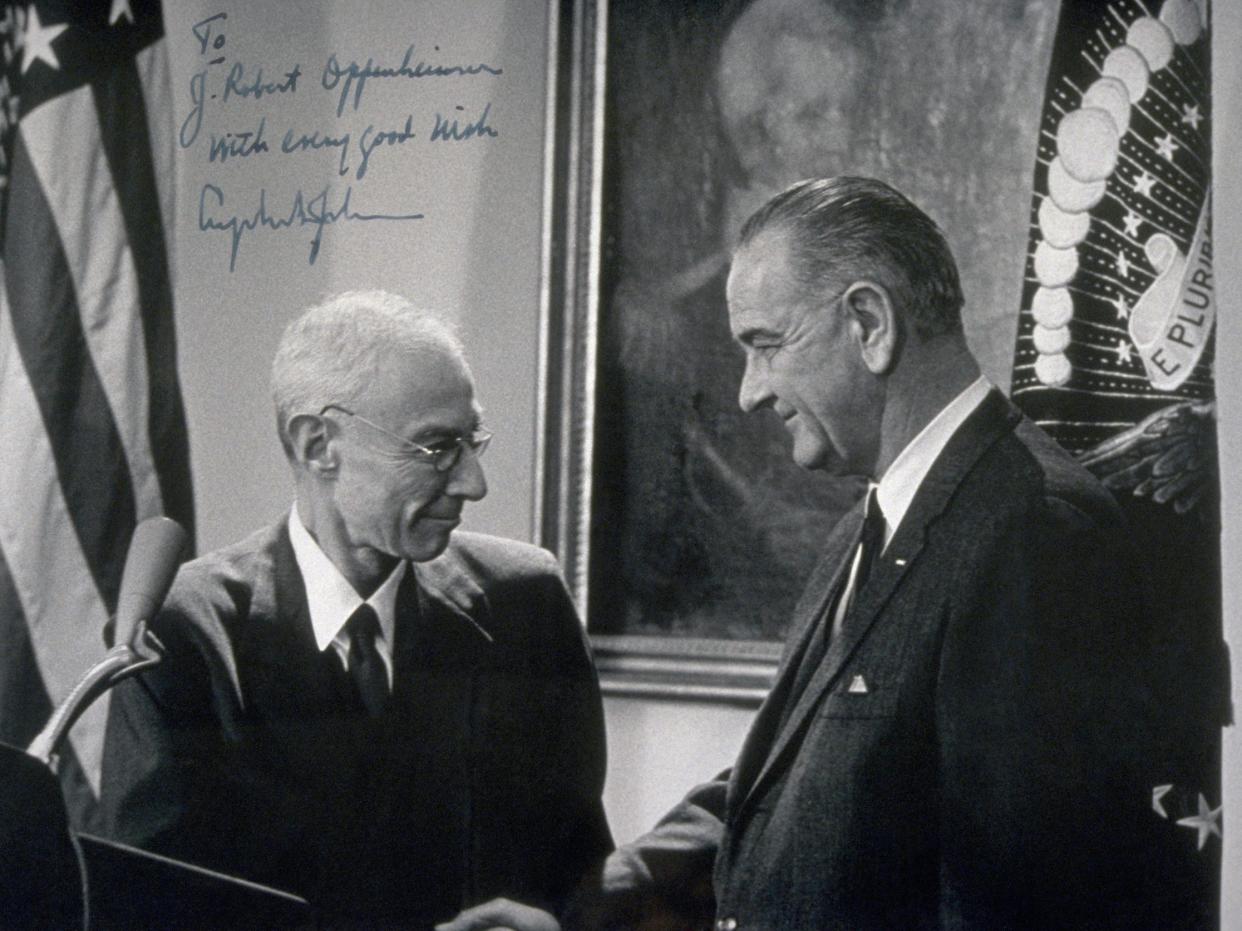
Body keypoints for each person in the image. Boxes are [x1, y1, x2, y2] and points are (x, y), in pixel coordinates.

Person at [495, 177, 1203, 931]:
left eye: (766, 346)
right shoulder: (871, 524)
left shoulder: (1037, 531)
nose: (748, 392)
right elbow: (806, 784)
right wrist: (583, 907)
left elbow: (1021, 904)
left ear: (870, 322)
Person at [99, 291, 612, 928]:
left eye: (472, 441)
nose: (473, 483)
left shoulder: (525, 603)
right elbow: (151, 915)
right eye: (436, 447)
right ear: (319, 445)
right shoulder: (186, 635)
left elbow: (581, 872)